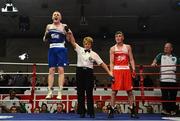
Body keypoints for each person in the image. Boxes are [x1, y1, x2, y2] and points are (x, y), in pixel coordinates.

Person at [67, 32, 113, 118]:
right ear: (83, 44)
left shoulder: (94, 54)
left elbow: (102, 63)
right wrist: (70, 33)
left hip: (89, 73)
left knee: (89, 93)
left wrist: (109, 72)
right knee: (80, 92)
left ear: (91, 44)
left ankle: (91, 112)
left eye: (88, 44)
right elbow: (72, 41)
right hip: (79, 71)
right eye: (85, 43)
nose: (86, 45)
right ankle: (82, 112)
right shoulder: (79, 49)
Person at [109, 31, 137, 118]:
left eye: (119, 36)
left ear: (123, 37)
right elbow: (111, 62)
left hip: (126, 70)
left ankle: (132, 111)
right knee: (114, 92)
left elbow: (131, 59)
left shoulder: (128, 47)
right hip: (117, 71)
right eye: (116, 36)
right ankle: (111, 111)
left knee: (129, 91)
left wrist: (134, 69)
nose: (118, 37)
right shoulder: (112, 49)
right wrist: (111, 73)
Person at [43, 11, 70, 99]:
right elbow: (44, 39)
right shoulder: (48, 26)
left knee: (61, 69)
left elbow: (68, 40)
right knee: (51, 70)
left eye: (58, 14)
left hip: (61, 49)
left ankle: (59, 92)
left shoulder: (64, 26)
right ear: (52, 17)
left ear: (60, 18)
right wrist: (46, 36)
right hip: (51, 49)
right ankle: (50, 91)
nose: (56, 15)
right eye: (54, 14)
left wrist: (68, 32)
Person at [151, 42, 180, 116]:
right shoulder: (161, 55)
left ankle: (173, 110)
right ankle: (165, 110)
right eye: (165, 47)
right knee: (165, 96)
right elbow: (155, 61)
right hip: (163, 79)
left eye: (167, 47)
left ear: (171, 49)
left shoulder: (175, 57)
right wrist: (154, 63)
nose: (165, 48)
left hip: (173, 80)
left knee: (173, 96)